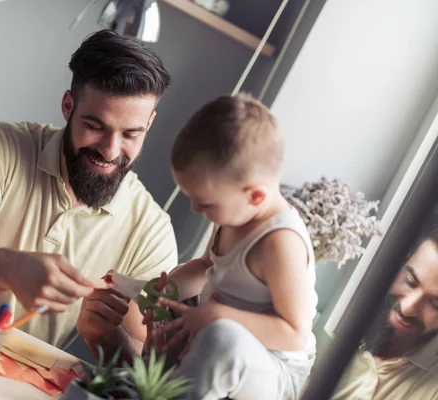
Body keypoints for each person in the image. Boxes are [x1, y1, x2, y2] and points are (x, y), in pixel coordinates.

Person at [0, 29, 178, 363]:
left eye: (130, 134)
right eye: (95, 126)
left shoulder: (151, 230)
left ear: (148, 125)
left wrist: (105, 336)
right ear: (68, 106)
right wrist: (2, 265)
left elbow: (151, 368)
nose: (110, 150)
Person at [145, 93, 318, 400]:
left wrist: (217, 316)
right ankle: (152, 389)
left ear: (255, 196)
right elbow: (205, 267)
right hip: (218, 336)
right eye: (191, 197)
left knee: (221, 337)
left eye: (205, 202)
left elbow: (293, 333)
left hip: (273, 369)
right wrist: (167, 292)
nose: (196, 209)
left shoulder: (280, 243)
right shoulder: (234, 215)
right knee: (170, 314)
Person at [331, 224, 438, 399]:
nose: (407, 308)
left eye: (435, 304)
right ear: (402, 261)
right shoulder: (337, 312)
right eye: (410, 281)